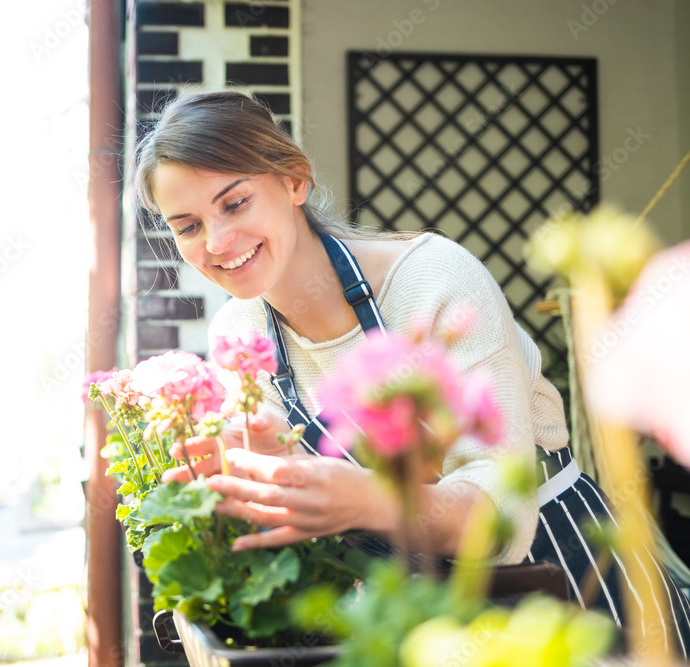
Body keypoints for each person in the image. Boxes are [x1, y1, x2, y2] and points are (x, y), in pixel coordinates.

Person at [134, 90, 690, 654]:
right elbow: (303, 501)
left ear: (295, 181)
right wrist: (266, 470)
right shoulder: (238, 331)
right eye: (188, 227)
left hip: (569, 577)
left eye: (235, 203)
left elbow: (505, 515)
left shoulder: (432, 280)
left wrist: (372, 501)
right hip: (426, 609)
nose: (217, 243)